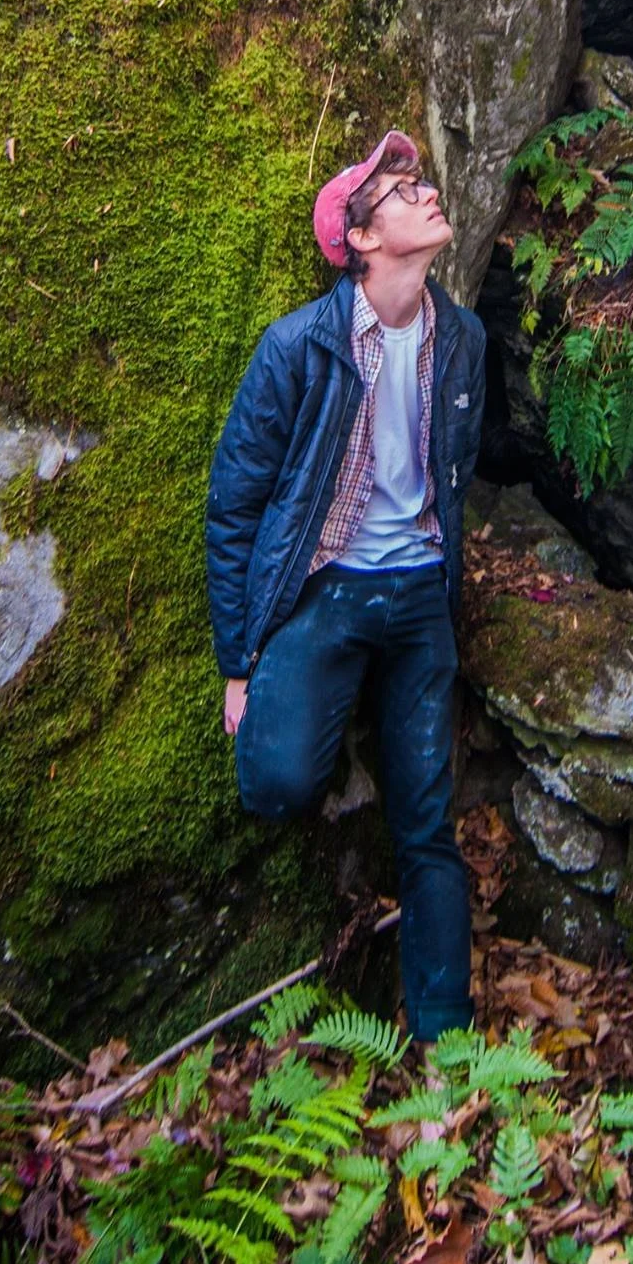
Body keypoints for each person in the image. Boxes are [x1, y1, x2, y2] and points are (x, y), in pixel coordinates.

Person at [206, 131, 486, 1041]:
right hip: (323, 589)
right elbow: (237, 507)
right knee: (277, 783)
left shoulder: (464, 339)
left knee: (429, 826)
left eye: (425, 185)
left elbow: (457, 466)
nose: (428, 196)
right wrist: (239, 663)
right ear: (359, 239)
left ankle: (451, 1049)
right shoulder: (297, 348)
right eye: (404, 193)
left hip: (418, 596)